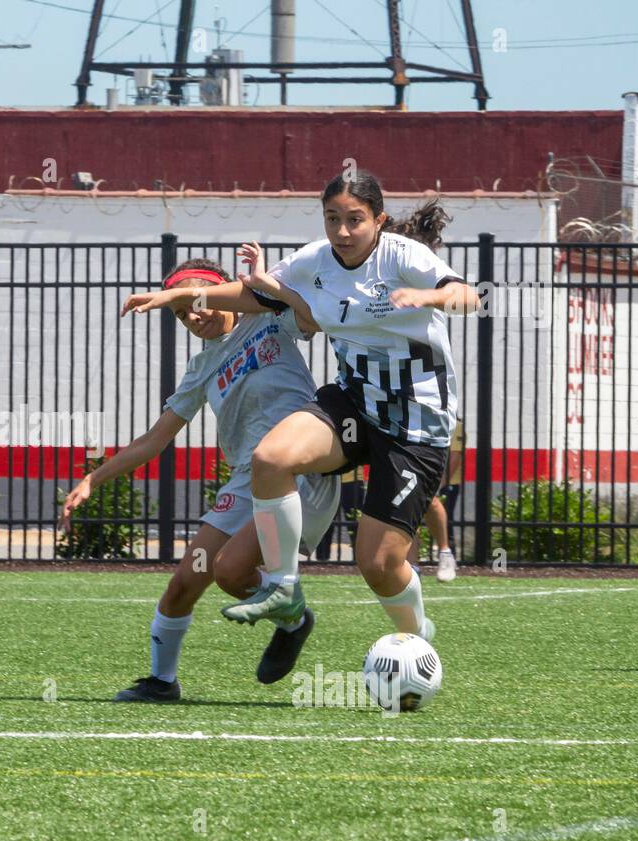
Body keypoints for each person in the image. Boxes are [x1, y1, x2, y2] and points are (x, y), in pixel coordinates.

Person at [123, 171, 478, 677]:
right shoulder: (314, 260)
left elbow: (469, 296)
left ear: (377, 221)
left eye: (355, 220)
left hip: (413, 421)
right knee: (273, 457)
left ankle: (418, 640)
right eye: (333, 218)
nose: (342, 230)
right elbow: (253, 296)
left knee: (377, 564)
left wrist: (428, 298)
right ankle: (283, 588)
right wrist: (172, 298)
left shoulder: (403, 257)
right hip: (354, 403)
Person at [61, 258, 339, 703]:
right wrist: (94, 479)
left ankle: (294, 619)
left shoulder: (266, 318)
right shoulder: (200, 369)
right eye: (181, 312)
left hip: (297, 470)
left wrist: (270, 285)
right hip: (246, 482)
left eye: (197, 301)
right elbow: (154, 440)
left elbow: (313, 317)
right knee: (184, 581)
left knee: (231, 571)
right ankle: (162, 682)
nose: (193, 315)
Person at [424, 419, 466, 582]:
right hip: (430, 481)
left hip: (448, 483)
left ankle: (449, 558)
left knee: (446, 521)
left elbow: (455, 457)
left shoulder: (456, 425)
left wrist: (441, 483)